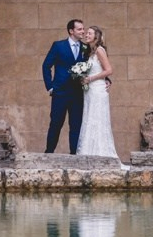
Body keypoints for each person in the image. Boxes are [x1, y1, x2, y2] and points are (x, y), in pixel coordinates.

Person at [76, 25, 120, 160]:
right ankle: (88, 151)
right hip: (90, 91)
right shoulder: (90, 52)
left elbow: (109, 70)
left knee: (98, 119)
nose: (86, 35)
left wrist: (90, 78)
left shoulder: (100, 50)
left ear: (96, 36)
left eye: (89, 33)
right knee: (90, 119)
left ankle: (101, 153)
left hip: (98, 90)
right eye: (86, 33)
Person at [42, 19, 87, 154]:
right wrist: (50, 86)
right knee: (56, 124)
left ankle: (74, 154)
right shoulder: (58, 46)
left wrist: (106, 79)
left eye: (83, 29)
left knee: (76, 125)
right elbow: (46, 66)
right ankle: (49, 153)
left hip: (78, 93)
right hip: (60, 93)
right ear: (71, 31)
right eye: (79, 29)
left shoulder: (86, 48)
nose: (83, 31)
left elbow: (94, 66)